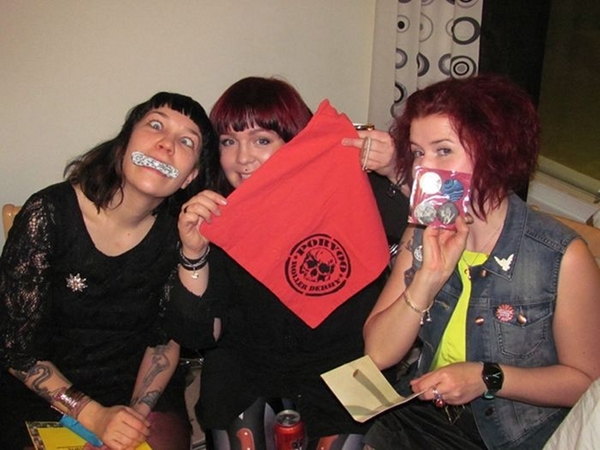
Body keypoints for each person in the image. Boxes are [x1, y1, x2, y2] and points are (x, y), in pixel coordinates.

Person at [165, 76, 407, 450]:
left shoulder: (350, 189)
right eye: (229, 142)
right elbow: (196, 337)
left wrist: (397, 171)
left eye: (262, 140)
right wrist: (193, 254)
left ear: (297, 143)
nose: (243, 158)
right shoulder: (216, 215)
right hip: (245, 368)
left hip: (349, 364)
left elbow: (438, 224)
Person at [361, 74, 600, 449]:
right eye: (418, 153)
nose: (424, 169)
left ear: (495, 154)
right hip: (427, 414)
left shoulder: (561, 256)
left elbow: (585, 382)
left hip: (514, 432)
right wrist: (429, 277)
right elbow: (378, 353)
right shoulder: (423, 231)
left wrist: (487, 377)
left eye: (443, 150)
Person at [0, 92, 216, 450]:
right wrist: (94, 416)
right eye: (156, 125)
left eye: (186, 141)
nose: (166, 145)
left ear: (189, 177)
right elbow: (15, 349)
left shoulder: (177, 235)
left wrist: (135, 415)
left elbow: (164, 343)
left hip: (136, 386)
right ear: (125, 141)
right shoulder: (48, 214)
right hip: (45, 389)